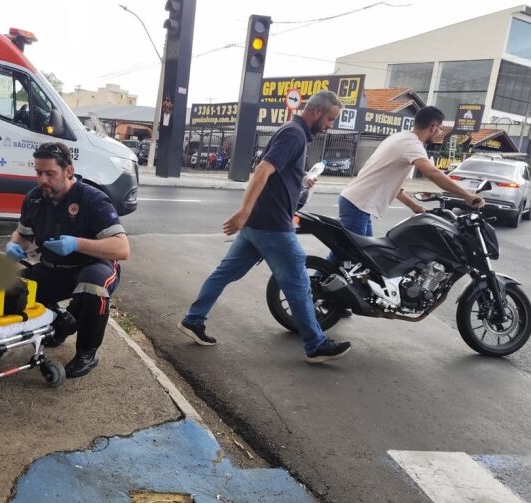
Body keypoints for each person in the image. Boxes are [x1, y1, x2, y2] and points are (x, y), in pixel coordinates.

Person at [178, 90, 352, 364]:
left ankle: (193, 319)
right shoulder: (294, 133)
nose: (330, 125)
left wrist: (301, 180)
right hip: (272, 225)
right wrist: (243, 211)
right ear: (317, 112)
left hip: (259, 224)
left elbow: (278, 174)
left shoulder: (294, 133)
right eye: (330, 118)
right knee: (298, 283)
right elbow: (262, 170)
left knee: (224, 273)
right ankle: (316, 344)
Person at [6, 142, 130, 378]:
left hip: (91, 266)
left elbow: (122, 248)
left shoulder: (92, 199)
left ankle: (87, 352)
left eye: (50, 173)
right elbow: (23, 234)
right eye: (38, 173)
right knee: (13, 291)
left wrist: (77, 243)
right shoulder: (33, 199)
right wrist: (14, 245)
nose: (42, 179)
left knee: (93, 288)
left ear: (68, 172)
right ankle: (63, 321)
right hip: (53, 268)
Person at [337, 106, 486, 238]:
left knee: (362, 258)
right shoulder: (412, 145)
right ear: (433, 127)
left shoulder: (401, 138)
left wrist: (415, 207)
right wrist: (467, 196)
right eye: (440, 129)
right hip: (358, 204)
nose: (439, 133)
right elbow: (432, 173)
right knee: (350, 256)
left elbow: (396, 190)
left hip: (357, 202)